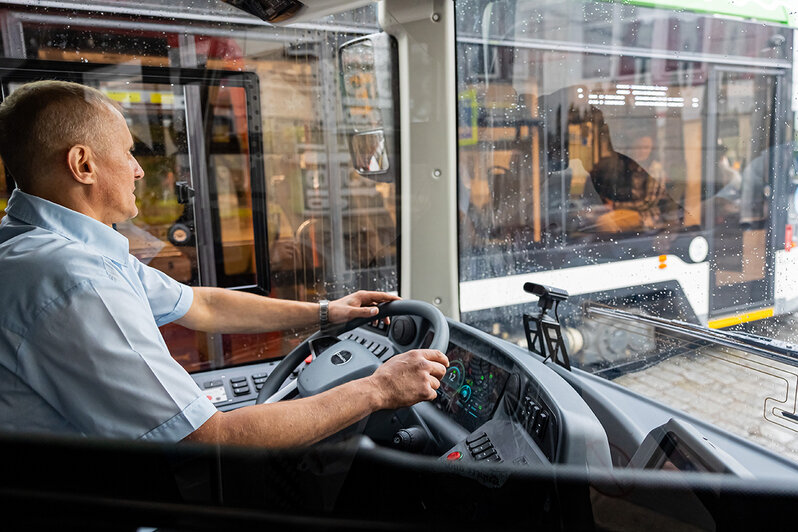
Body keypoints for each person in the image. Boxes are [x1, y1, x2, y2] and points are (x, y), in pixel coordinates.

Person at [0, 80, 449, 447]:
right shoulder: (74, 281)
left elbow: (201, 305)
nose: (139, 170)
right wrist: (378, 388)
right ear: (83, 164)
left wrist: (325, 314)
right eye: (129, 152)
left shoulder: (45, 247)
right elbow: (208, 442)